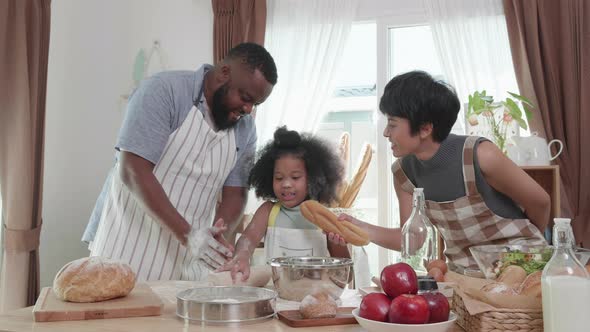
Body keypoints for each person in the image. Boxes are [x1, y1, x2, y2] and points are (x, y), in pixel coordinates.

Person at [81, 43, 277, 281]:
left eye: (255, 104)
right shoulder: (164, 91)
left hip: (187, 264)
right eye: (245, 98)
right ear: (224, 73)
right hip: (126, 248)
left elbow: (235, 192)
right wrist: (189, 237)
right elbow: (133, 170)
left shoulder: (245, 129)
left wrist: (217, 231)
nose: (248, 109)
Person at [334, 70, 549, 272]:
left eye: (392, 124)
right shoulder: (403, 173)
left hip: (522, 269)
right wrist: (356, 227)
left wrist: (528, 250)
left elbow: (540, 202)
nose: (385, 133)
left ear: (425, 128)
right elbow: (410, 240)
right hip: (466, 277)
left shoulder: (481, 155)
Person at [219, 126, 349, 282]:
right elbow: (247, 240)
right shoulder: (268, 211)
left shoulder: (323, 217)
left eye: (295, 177)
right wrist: (242, 255)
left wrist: (339, 245)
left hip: (314, 298)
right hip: (275, 299)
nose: (286, 184)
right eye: (279, 178)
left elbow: (345, 277)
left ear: (313, 177)